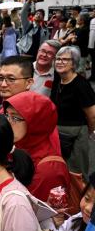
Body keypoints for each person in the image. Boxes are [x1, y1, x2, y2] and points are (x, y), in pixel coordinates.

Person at [2, 91, 70, 201]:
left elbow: (34, 213)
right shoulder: (15, 146)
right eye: (6, 115)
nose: (7, 123)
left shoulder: (48, 170)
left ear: (35, 122)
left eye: (15, 118)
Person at [51, 46, 95, 176]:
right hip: (56, 133)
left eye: (65, 59)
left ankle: (80, 196)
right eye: (58, 59)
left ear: (73, 63)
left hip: (75, 135)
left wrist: (90, 132)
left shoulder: (81, 84)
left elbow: (92, 115)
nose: (59, 62)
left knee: (75, 172)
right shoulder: (58, 80)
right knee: (58, 169)